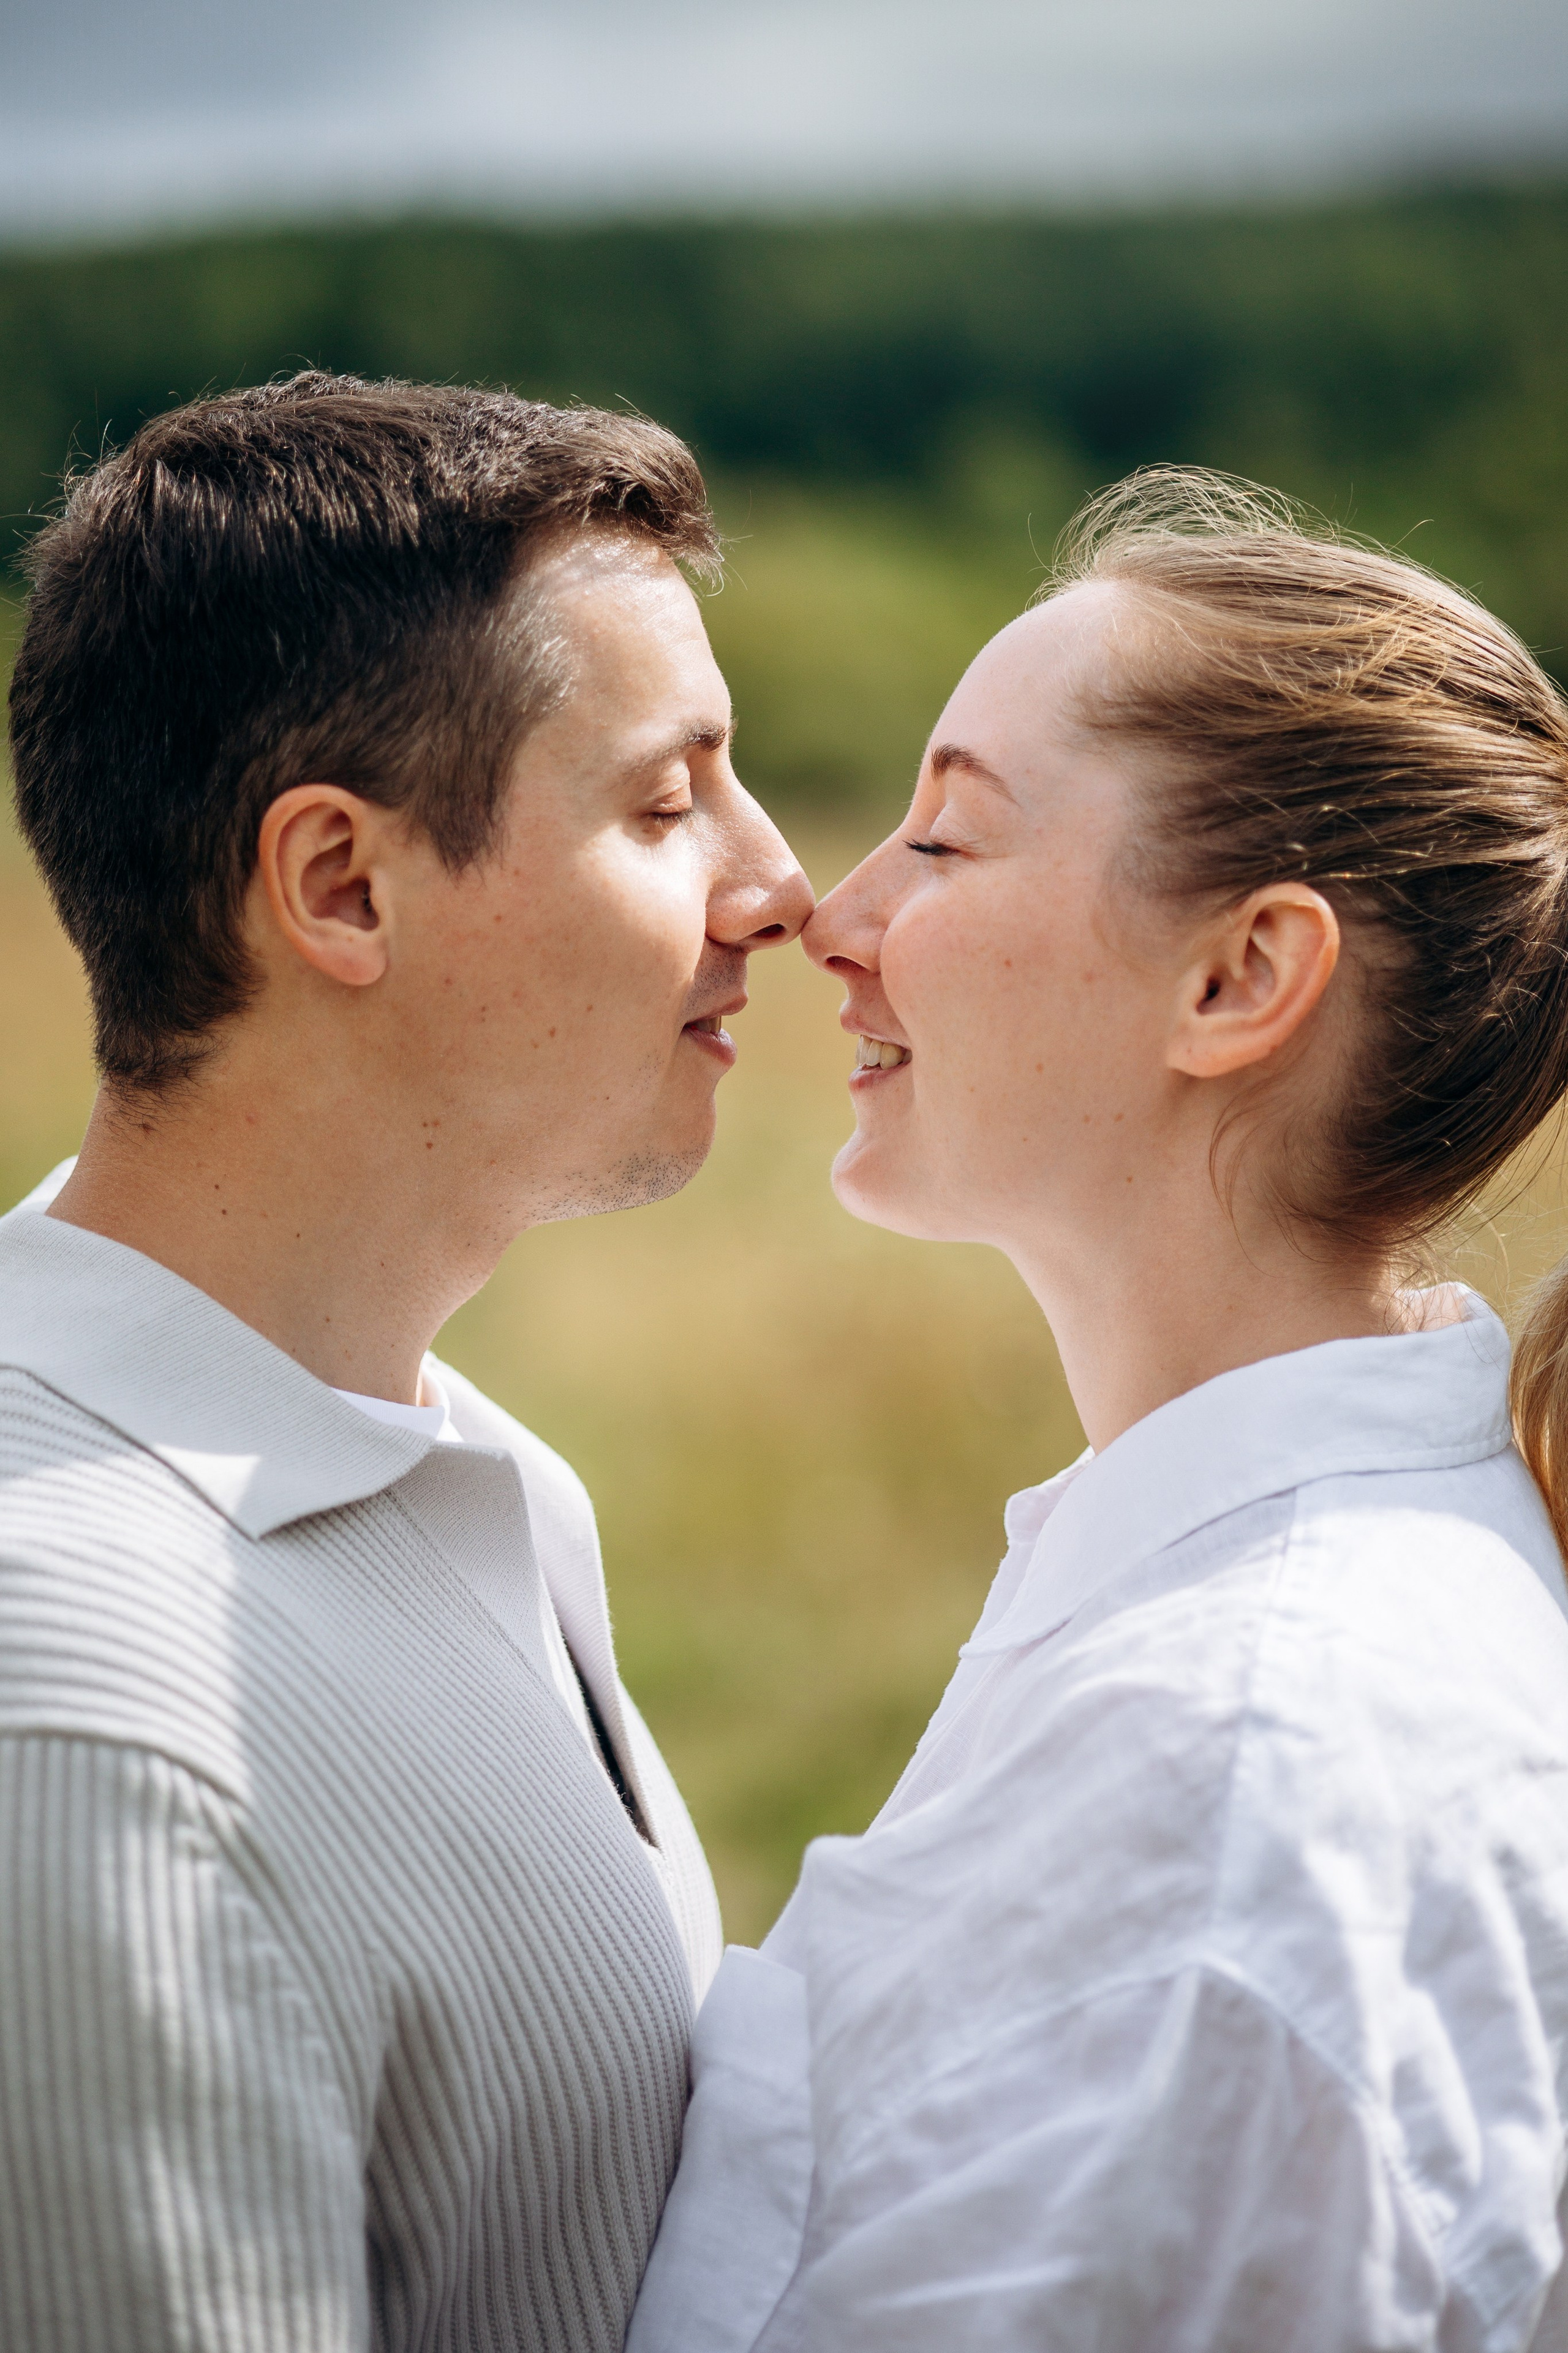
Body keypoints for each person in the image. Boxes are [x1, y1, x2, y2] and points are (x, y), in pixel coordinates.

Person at [630, 470, 1568, 2353]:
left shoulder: (1243, 1773)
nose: (835, 907)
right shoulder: (1249, 1632)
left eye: (949, 842)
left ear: (1238, 977)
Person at [0, 372, 812, 2352]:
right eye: (661, 798)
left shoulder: (461, 1464)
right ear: (341, 885)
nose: (776, 881)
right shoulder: (92, 1731)